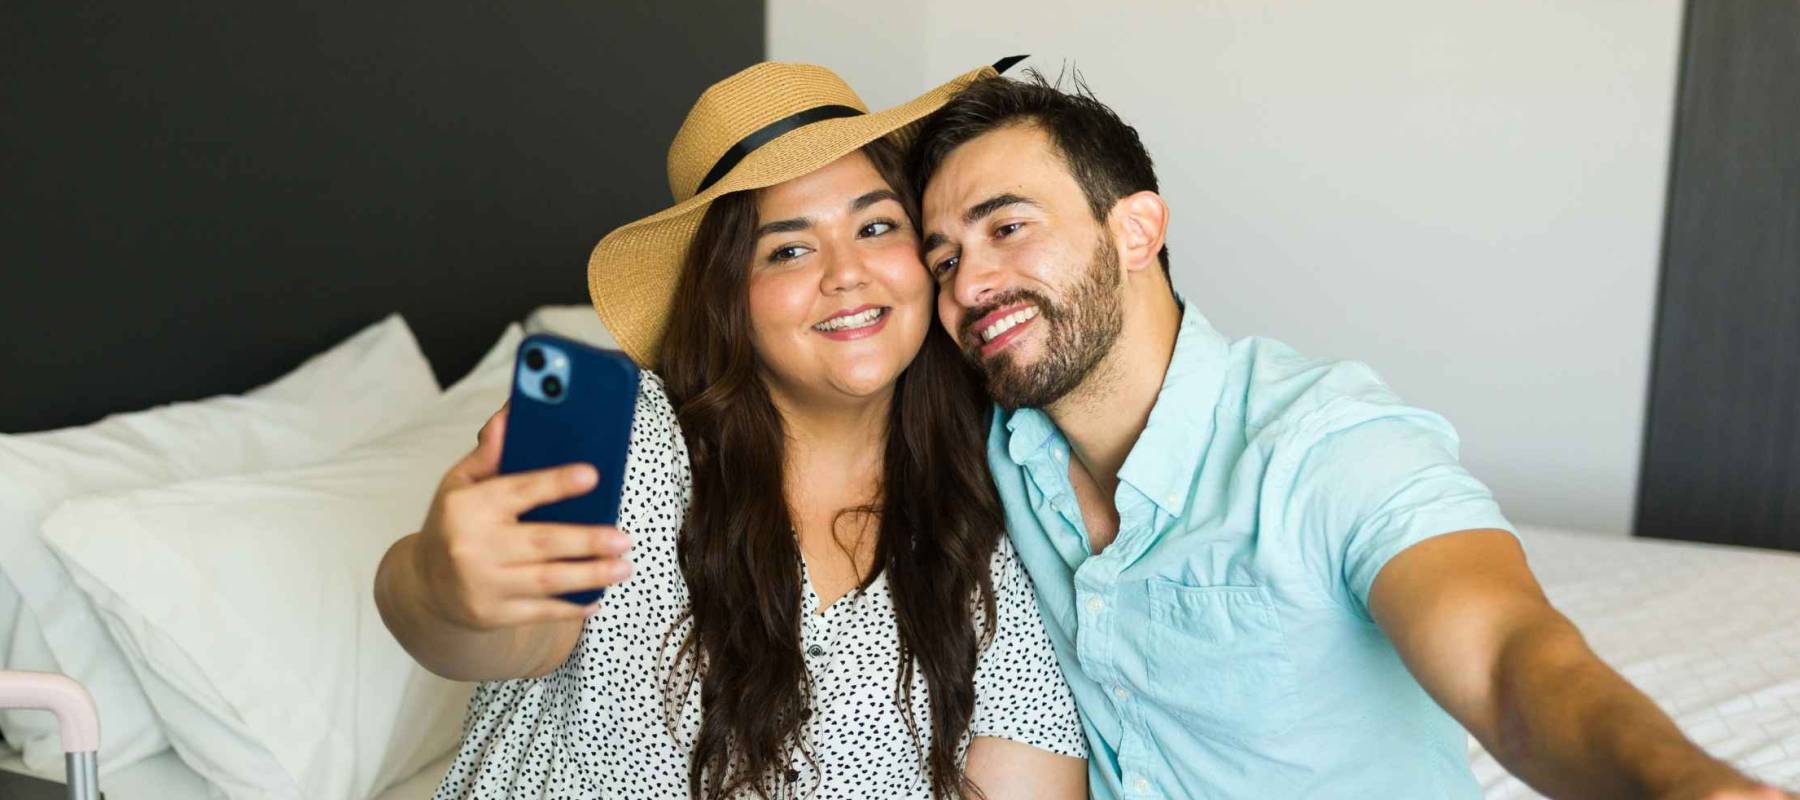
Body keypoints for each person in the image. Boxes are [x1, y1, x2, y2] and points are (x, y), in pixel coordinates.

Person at [908, 71, 1795, 799]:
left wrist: (1684, 785)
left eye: (1008, 227)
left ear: (1136, 230)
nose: (969, 283)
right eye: (944, 257)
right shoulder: (997, 452)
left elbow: (1505, 660)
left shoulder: (1328, 448)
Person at [373, 61, 1086, 800]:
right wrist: (445, 585)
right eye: (789, 248)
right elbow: (490, 631)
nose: (846, 273)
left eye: (876, 226)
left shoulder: (987, 504)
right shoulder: (627, 438)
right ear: (728, 296)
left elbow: (1029, 768)